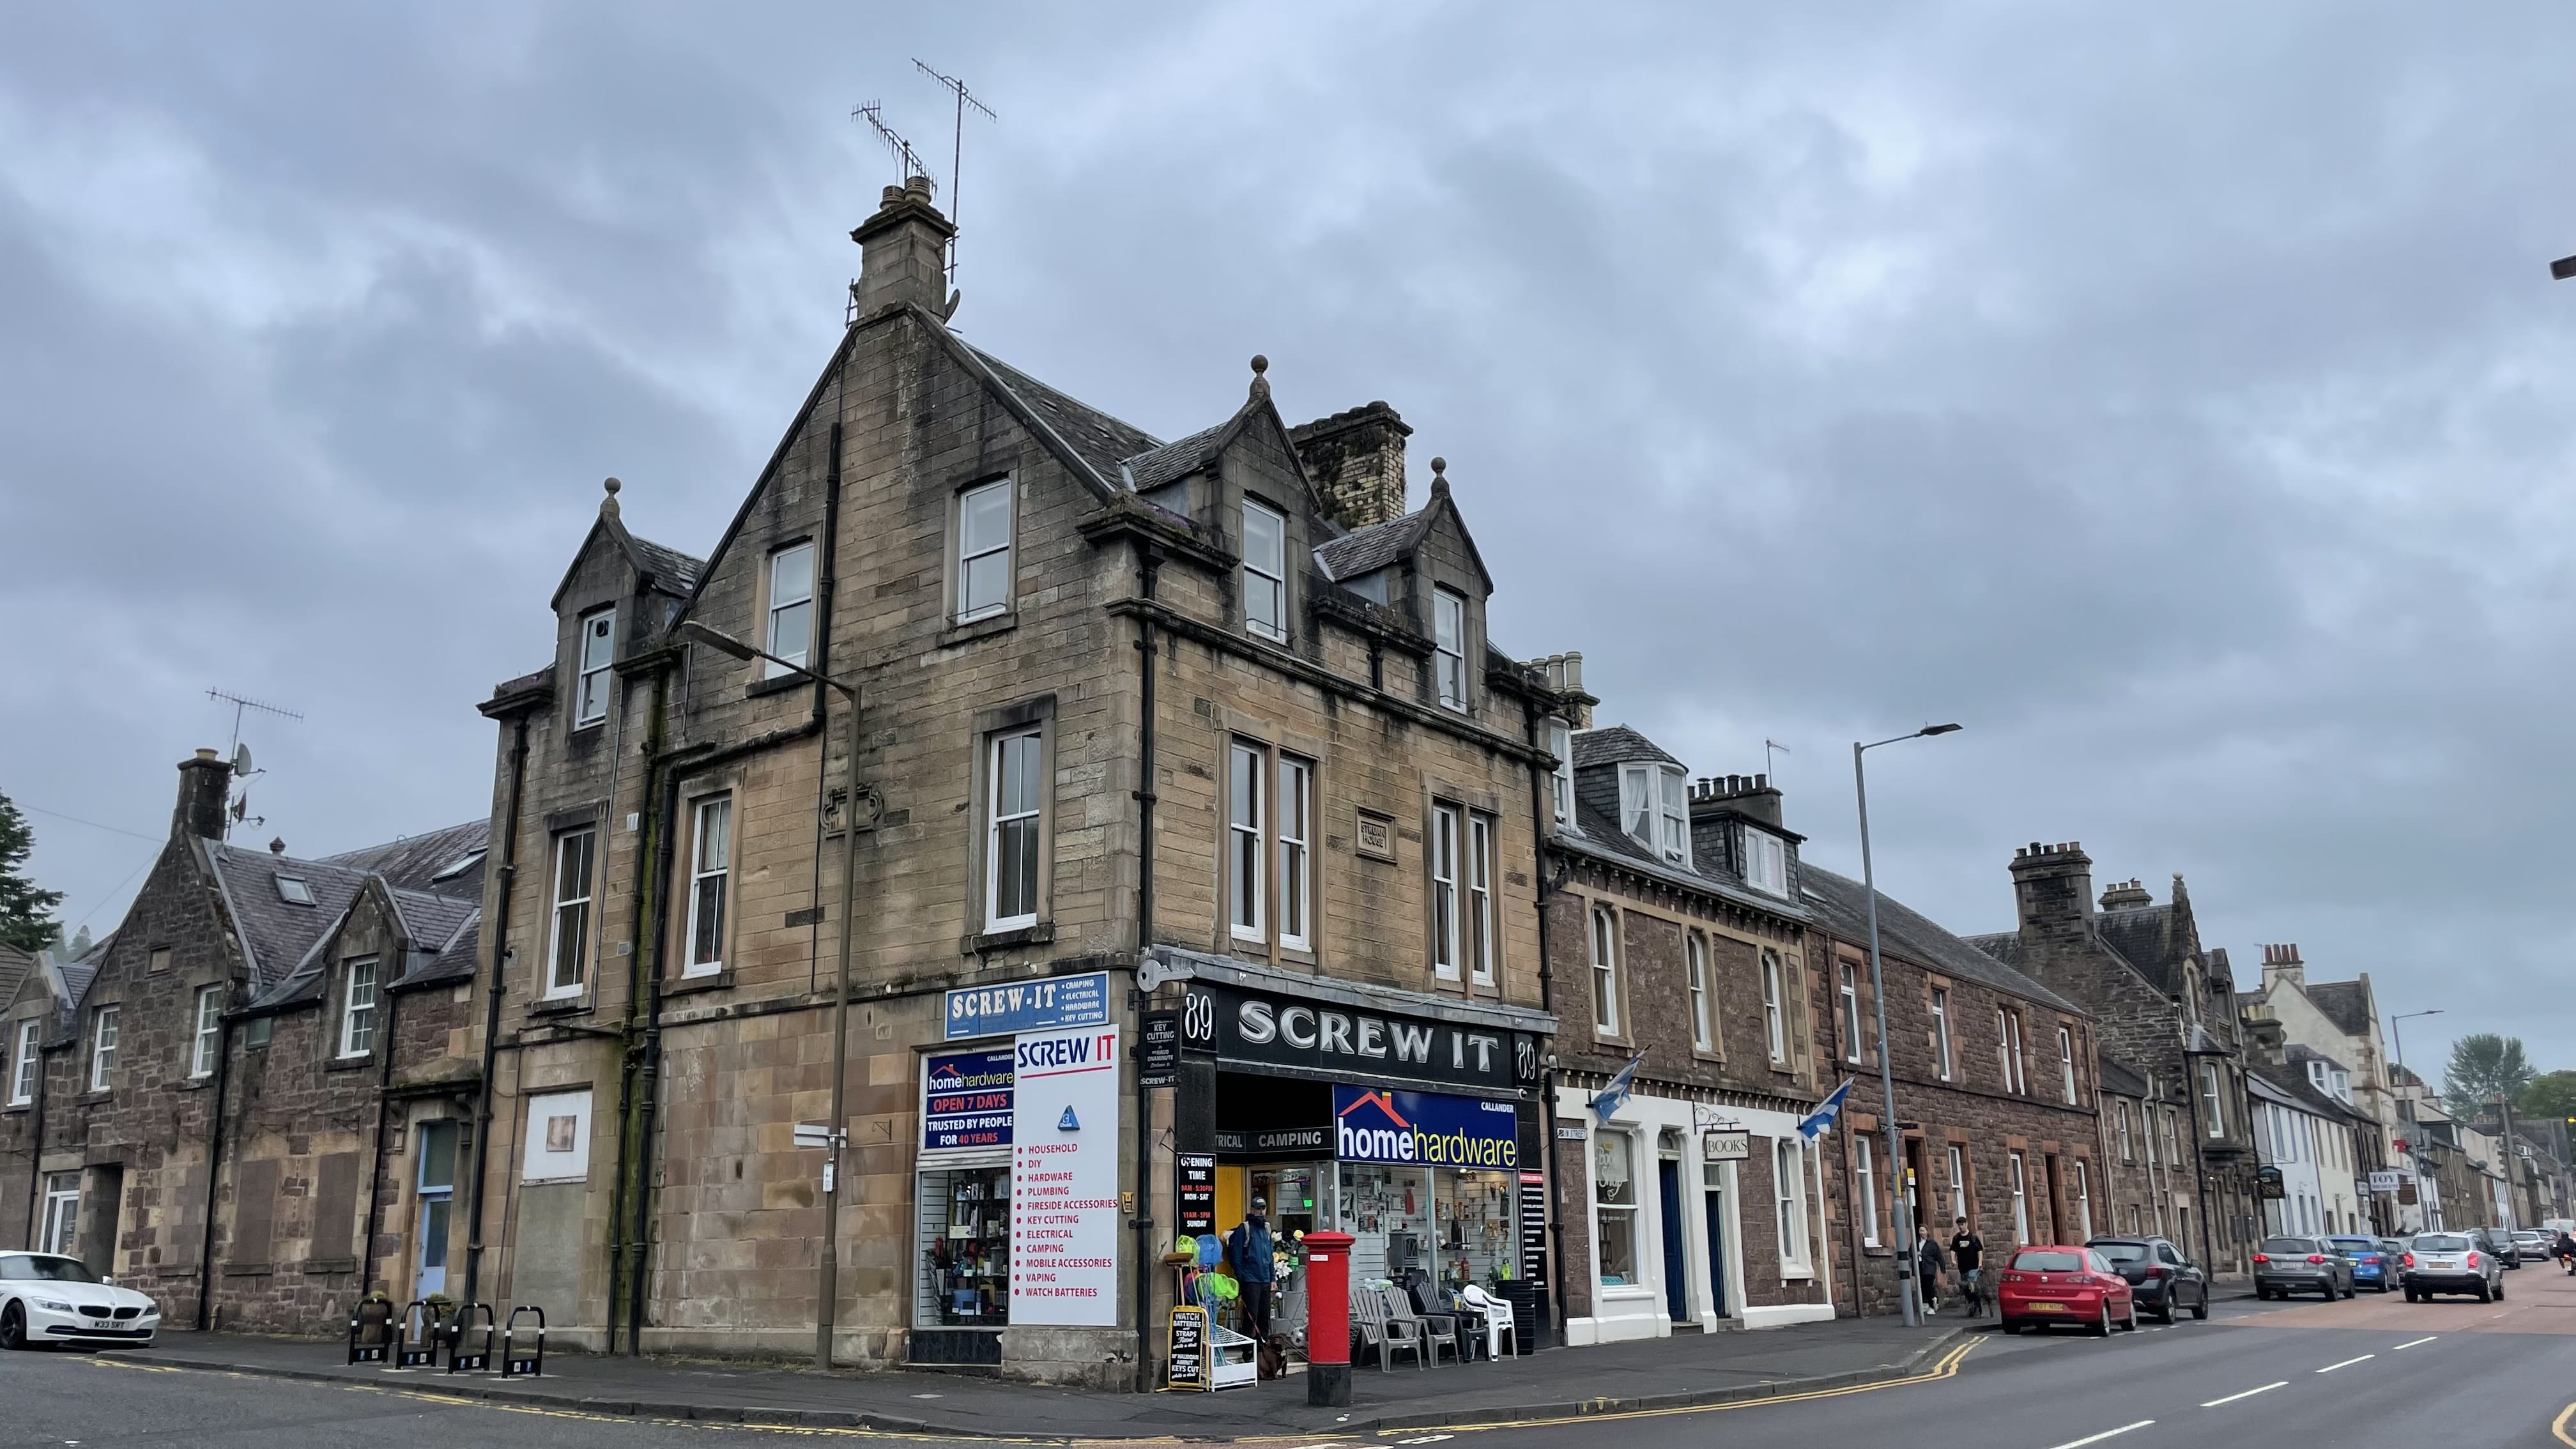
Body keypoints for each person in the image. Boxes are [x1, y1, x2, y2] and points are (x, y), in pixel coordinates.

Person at [1227, 1197, 1278, 1337]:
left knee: (1264, 1316)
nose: (1261, 1212)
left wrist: (1272, 1278)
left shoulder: (1267, 1228)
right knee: (1251, 1316)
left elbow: (1269, 1255)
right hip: (1251, 1279)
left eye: (1263, 1208)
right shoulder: (1245, 1228)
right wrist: (1242, 1277)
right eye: (1258, 1209)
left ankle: (1262, 1350)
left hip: (1265, 1279)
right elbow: (1236, 1255)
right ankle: (1248, 1351)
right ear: (1252, 1210)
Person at [1949, 1216, 1988, 1315]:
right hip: (1963, 1268)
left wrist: (1980, 1263)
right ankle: (1971, 1308)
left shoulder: (1973, 1237)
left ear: (1966, 1224)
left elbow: (1979, 1251)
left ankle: (1977, 1307)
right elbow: (1953, 1249)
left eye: (1962, 1224)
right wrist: (1953, 1259)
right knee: (1966, 1290)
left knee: (1972, 1287)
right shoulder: (1957, 1238)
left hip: (1973, 1267)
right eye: (1959, 1225)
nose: (1961, 1227)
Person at [1915, 1225, 1946, 1314]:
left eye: (1923, 1231)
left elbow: (1939, 1256)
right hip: (1920, 1267)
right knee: (1923, 1287)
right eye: (1920, 1231)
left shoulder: (1932, 1244)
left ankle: (1932, 1306)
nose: (1922, 1233)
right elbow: (1910, 1252)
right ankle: (1931, 1302)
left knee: (1928, 1286)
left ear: (1927, 1232)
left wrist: (1942, 1268)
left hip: (1929, 1267)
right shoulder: (1916, 1242)